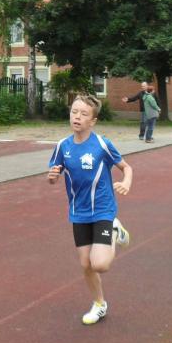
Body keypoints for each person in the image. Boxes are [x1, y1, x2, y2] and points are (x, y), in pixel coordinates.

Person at [48, 94, 133, 325]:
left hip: (103, 209)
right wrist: (52, 177)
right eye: (74, 112)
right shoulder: (62, 146)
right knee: (86, 265)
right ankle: (99, 304)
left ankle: (115, 229)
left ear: (93, 121)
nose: (77, 117)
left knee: (100, 264)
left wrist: (126, 182)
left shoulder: (102, 144)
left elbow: (126, 167)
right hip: (79, 212)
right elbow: (53, 177)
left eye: (84, 114)